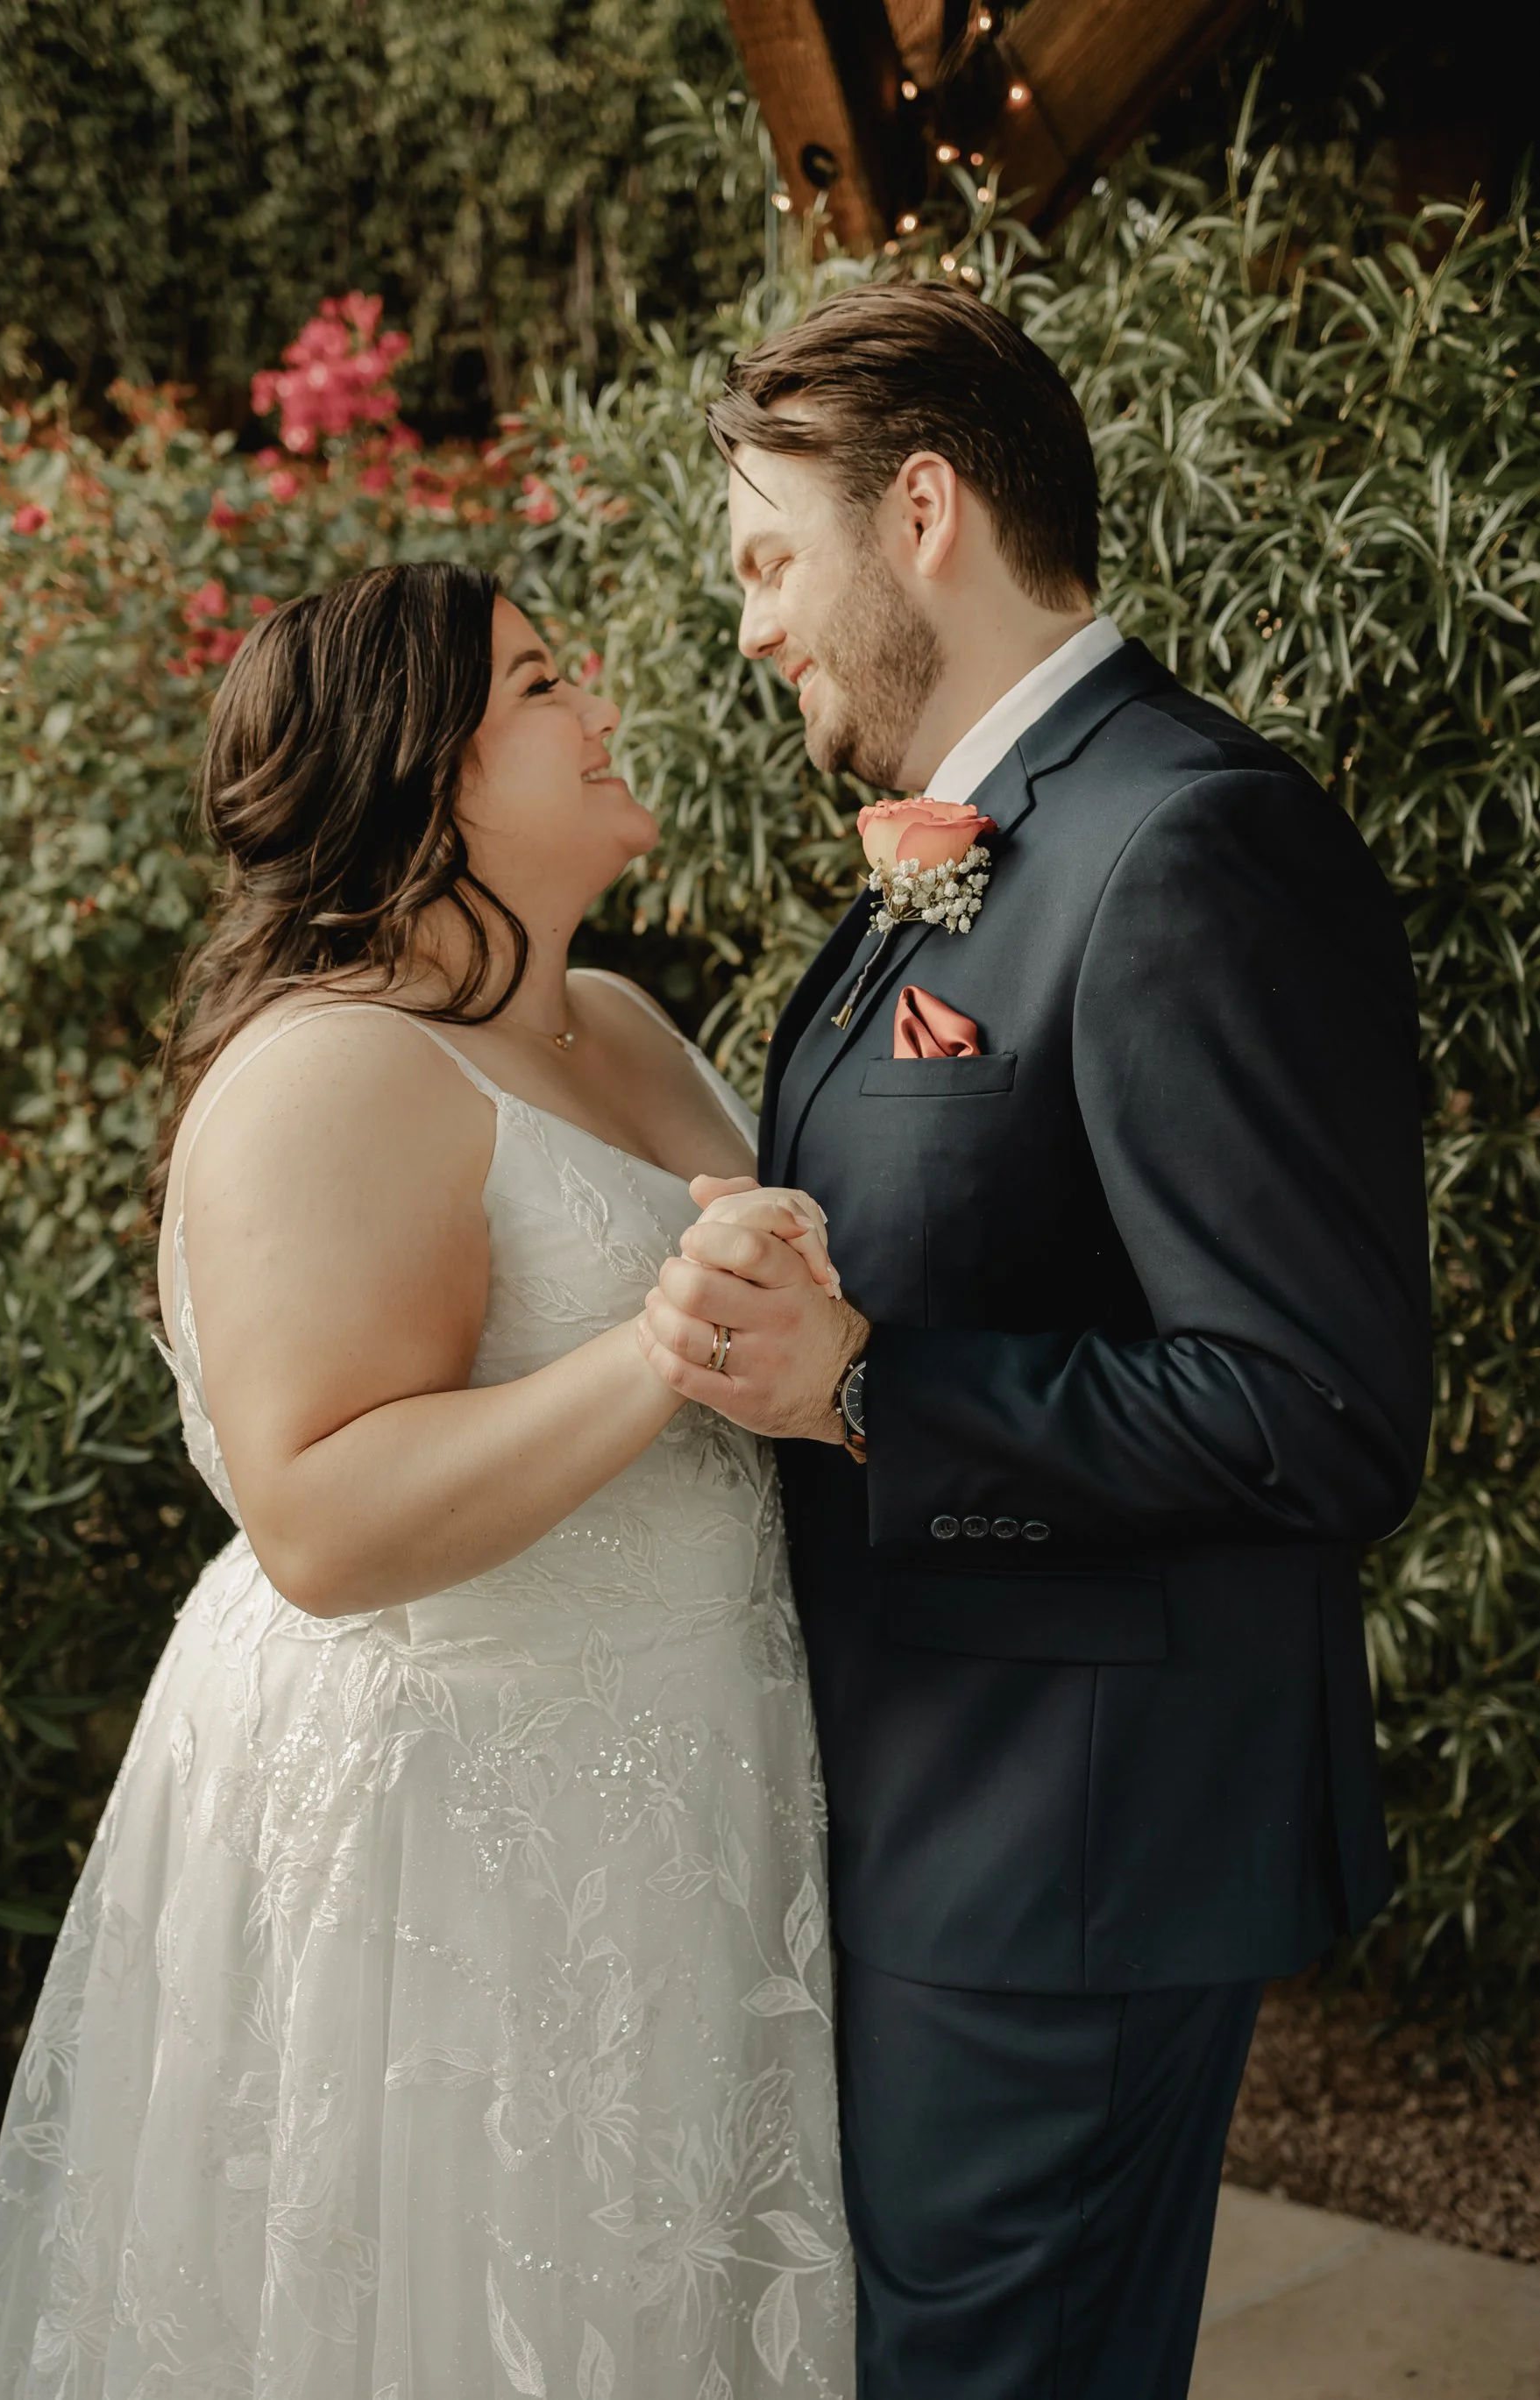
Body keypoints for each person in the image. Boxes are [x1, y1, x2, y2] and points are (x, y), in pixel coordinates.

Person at [639, 283, 1432, 2398]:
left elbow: (1318, 1407)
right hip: (934, 1821)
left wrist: (865, 1382)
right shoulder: (990, 839)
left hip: (1062, 1860)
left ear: (922, 514)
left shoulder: (1188, 841)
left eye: (768, 561)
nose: (751, 628)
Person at [0, 564, 852, 2399]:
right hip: (452, 1845)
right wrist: (658, 1345)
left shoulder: (614, 1018)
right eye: (540, 682)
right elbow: (320, 1515)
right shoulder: (337, 1067)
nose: (597, 702)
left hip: (681, 1789)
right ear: (422, 772)